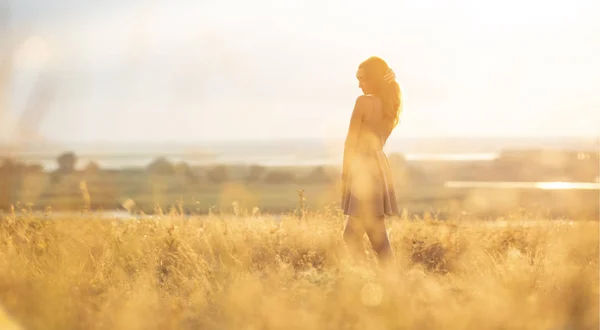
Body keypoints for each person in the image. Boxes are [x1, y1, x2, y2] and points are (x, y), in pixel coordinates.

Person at [340, 56, 402, 266]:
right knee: (367, 236)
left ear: (374, 79)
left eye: (362, 78)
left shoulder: (364, 102)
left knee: (365, 237)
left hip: (363, 169)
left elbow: (351, 142)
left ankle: (371, 282)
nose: (359, 84)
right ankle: (380, 281)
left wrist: (345, 173)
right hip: (379, 167)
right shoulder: (391, 104)